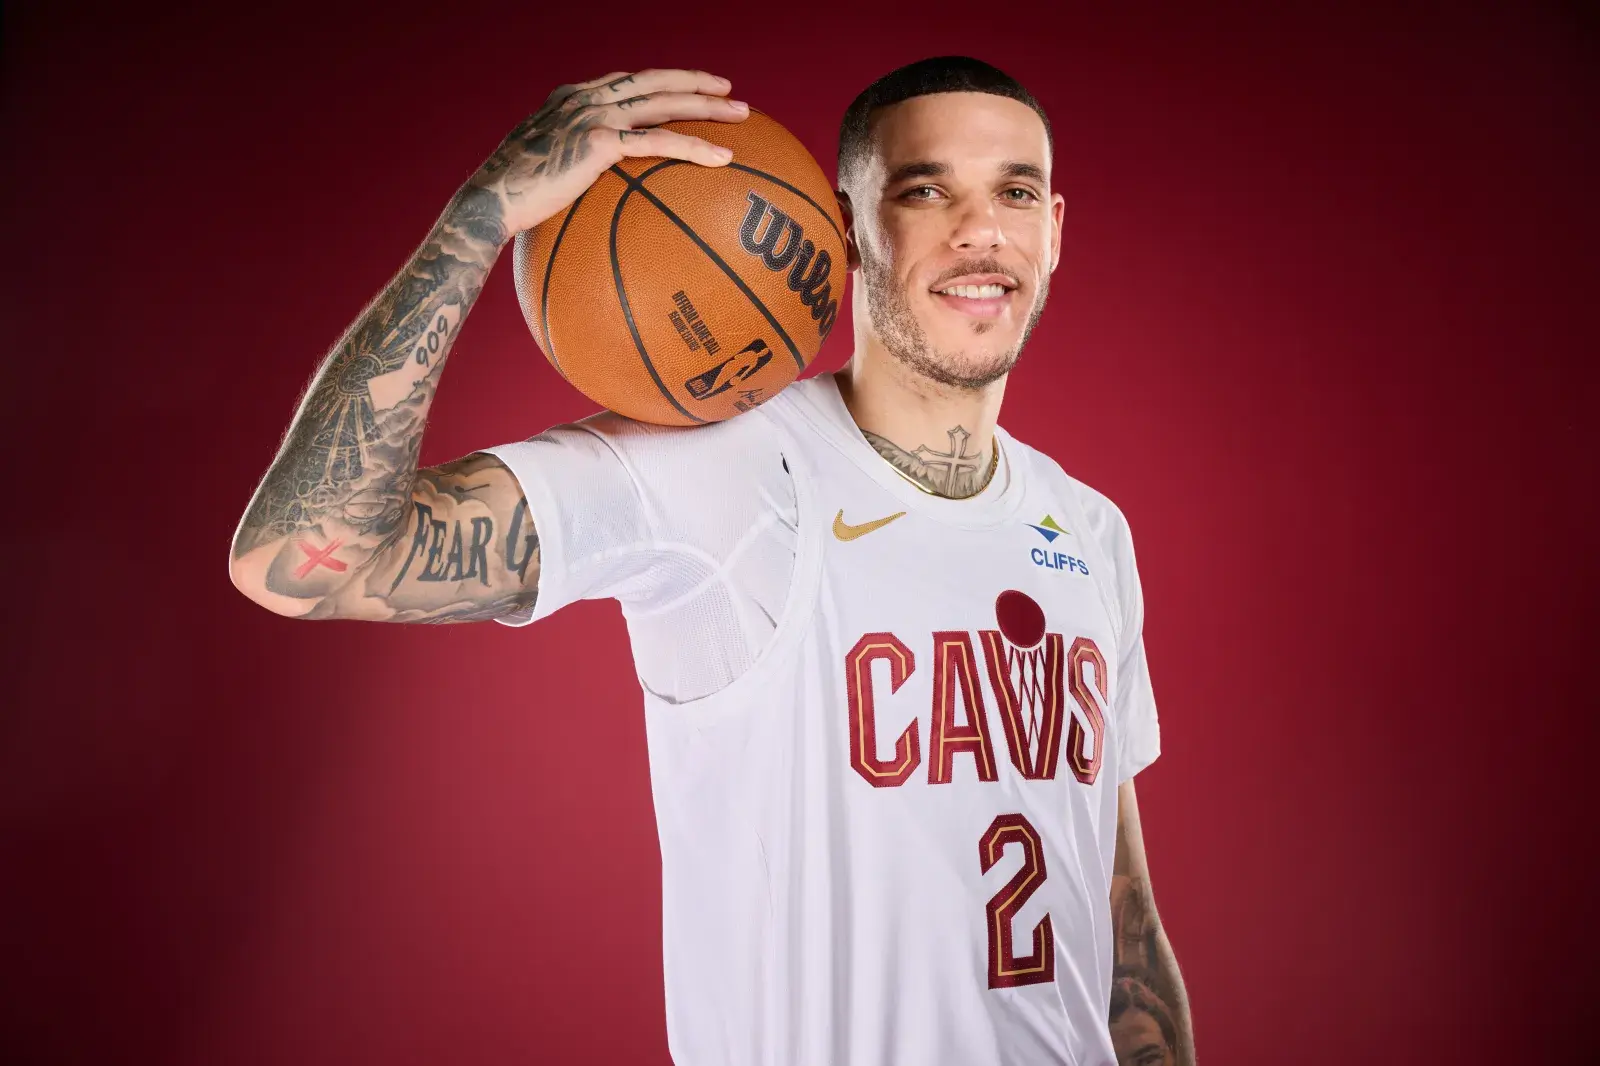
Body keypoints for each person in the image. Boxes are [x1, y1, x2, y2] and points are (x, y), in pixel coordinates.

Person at [230, 56, 1195, 1066]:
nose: (979, 230)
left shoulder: (1091, 531)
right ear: (847, 228)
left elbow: (1123, 926)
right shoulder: (720, 464)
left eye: (1016, 192)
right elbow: (301, 560)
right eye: (925, 190)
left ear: (1054, 230)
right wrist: (478, 221)